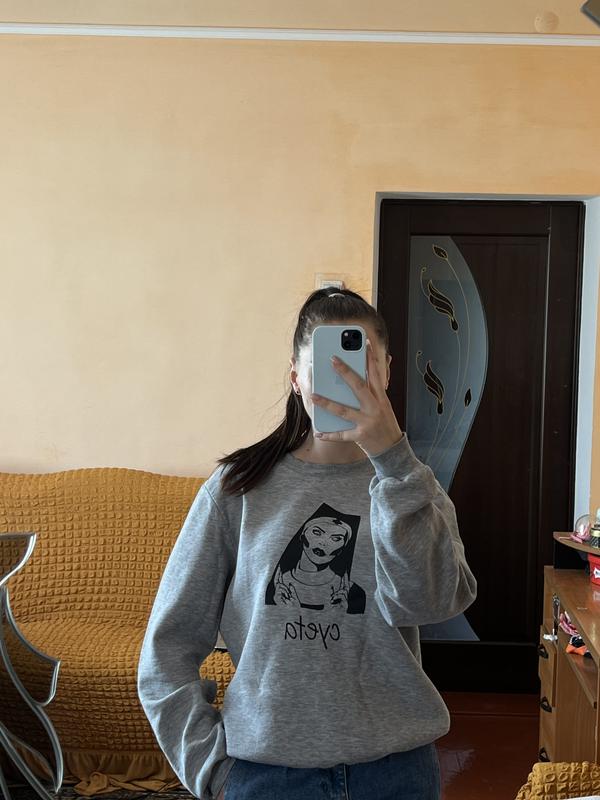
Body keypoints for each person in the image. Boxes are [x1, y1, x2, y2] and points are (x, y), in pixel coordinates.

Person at [137, 287, 477, 800]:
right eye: (326, 363)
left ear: (386, 373)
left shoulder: (412, 486)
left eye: (360, 363)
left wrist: (393, 461)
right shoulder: (237, 489)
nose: (344, 377)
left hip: (396, 774)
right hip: (266, 775)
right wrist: (211, 770)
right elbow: (167, 648)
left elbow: (429, 604)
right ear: (296, 376)